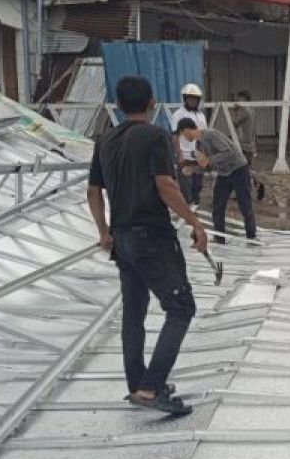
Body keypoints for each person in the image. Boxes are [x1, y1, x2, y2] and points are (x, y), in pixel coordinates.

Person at [88, 76, 207, 416]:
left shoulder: (105, 139)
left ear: (120, 104)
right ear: (152, 101)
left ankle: (137, 382)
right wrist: (196, 223)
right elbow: (166, 184)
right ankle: (151, 387)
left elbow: (93, 191)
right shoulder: (155, 136)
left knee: (134, 314)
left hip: (122, 239)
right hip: (152, 237)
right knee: (181, 308)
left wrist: (104, 231)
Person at [177, 118, 258, 245]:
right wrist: (193, 169)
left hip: (238, 169)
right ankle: (220, 238)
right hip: (223, 173)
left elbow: (229, 152)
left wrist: (209, 159)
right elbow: (208, 167)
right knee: (217, 207)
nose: (183, 138)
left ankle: (251, 237)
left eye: (182, 134)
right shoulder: (199, 145)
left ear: (186, 130)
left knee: (245, 205)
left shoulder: (211, 135)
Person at [170, 83, 208, 206]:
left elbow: (203, 135)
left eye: (195, 98)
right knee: (186, 187)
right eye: (190, 98)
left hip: (198, 156)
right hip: (185, 156)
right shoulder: (178, 115)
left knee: (198, 185)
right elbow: (175, 136)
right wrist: (179, 155)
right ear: (185, 98)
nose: (193, 101)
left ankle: (195, 208)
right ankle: (187, 211)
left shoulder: (201, 116)